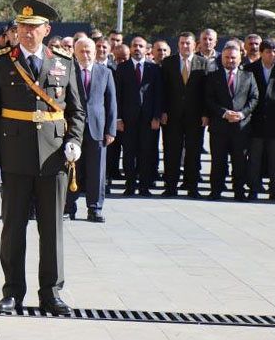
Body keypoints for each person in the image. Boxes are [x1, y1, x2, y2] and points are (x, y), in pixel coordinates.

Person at [0, 0, 85, 317]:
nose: (27, 33)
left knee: (52, 230)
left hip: (54, 158)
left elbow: (76, 110)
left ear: (46, 30)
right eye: (22, 27)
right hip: (13, 157)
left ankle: (51, 294)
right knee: (13, 228)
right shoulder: (0, 62)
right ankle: (12, 292)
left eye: (33, 27)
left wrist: (75, 141)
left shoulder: (64, 62)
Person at [65, 38, 115, 222]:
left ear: (95, 53)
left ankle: (95, 208)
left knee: (97, 171)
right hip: (73, 128)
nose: (85, 55)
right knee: (72, 168)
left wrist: (111, 130)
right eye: (81, 52)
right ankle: (68, 207)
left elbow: (111, 102)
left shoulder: (105, 72)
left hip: (97, 129)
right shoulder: (69, 71)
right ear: (74, 53)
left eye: (88, 51)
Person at [205, 41, 259, 201]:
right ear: (222, 58)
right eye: (227, 57)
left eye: (233, 58)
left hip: (241, 127)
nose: (230, 60)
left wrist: (243, 114)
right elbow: (208, 99)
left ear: (240, 58)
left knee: (240, 161)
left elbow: (254, 97)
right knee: (218, 161)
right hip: (219, 127)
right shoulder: (213, 76)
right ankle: (216, 190)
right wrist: (223, 113)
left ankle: (239, 191)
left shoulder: (248, 76)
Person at [160, 32, 209, 198]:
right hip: (172, 116)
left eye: (188, 43)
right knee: (171, 151)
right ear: (178, 45)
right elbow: (163, 89)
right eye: (182, 43)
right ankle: (171, 186)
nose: (185, 46)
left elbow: (206, 93)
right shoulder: (168, 63)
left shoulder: (203, 63)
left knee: (193, 152)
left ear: (195, 45)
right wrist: (163, 111)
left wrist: (205, 114)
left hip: (195, 117)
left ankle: (192, 187)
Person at [244, 39, 275, 201]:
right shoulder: (249, 69)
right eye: (268, 52)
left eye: (274, 52)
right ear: (261, 53)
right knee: (255, 158)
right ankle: (253, 190)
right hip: (255, 122)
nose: (272, 55)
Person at [115, 36, 162, 196]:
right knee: (128, 153)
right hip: (128, 120)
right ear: (131, 48)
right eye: (135, 46)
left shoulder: (154, 68)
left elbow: (158, 94)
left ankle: (144, 186)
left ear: (146, 49)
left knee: (146, 152)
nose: (137, 49)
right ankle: (129, 186)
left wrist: (157, 116)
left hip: (148, 120)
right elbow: (118, 95)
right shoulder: (122, 68)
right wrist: (118, 118)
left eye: (141, 46)